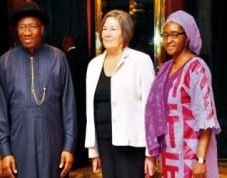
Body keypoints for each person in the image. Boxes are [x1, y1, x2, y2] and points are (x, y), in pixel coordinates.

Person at [0, 2, 77, 178]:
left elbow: (69, 107)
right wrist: (5, 151)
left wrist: (68, 146)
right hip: (19, 146)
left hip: (53, 144)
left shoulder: (58, 58)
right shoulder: (6, 62)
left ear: (42, 28)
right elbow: (0, 111)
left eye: (32, 26)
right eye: (22, 27)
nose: (27, 32)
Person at [145, 10, 221, 178]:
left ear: (187, 37)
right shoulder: (165, 69)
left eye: (174, 35)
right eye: (165, 35)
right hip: (169, 152)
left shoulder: (197, 68)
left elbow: (206, 119)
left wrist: (200, 161)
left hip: (190, 153)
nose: (168, 40)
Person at [84, 9, 155, 178]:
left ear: (125, 33)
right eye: (105, 29)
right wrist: (93, 150)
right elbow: (90, 109)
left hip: (132, 144)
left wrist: (150, 153)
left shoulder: (140, 61)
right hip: (104, 141)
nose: (107, 33)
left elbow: (151, 109)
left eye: (113, 29)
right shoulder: (94, 65)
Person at [62, 34, 89, 169]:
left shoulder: (64, 59)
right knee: (84, 127)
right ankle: (84, 158)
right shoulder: (86, 56)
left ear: (66, 43)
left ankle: (75, 159)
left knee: (73, 128)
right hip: (84, 99)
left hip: (71, 100)